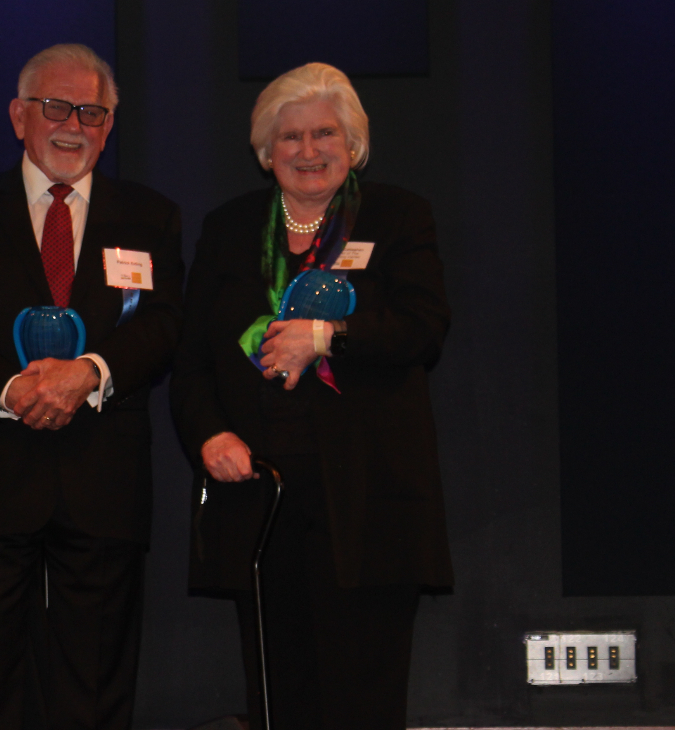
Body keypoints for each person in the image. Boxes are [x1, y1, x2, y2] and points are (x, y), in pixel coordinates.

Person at [169, 62, 452, 729]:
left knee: (365, 698)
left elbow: (424, 327)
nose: (308, 150)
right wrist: (211, 434)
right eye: (289, 137)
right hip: (262, 502)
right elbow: (190, 362)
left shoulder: (398, 215)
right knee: (279, 698)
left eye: (325, 133)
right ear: (265, 152)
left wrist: (326, 336)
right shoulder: (230, 228)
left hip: (368, 502)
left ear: (352, 144)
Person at [0, 43, 184, 730]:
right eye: (56, 106)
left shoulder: (151, 216)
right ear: (18, 116)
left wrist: (88, 374)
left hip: (103, 477)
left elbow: (163, 326)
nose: (74, 123)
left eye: (92, 111)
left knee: (94, 679)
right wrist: (11, 389)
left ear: (110, 124)